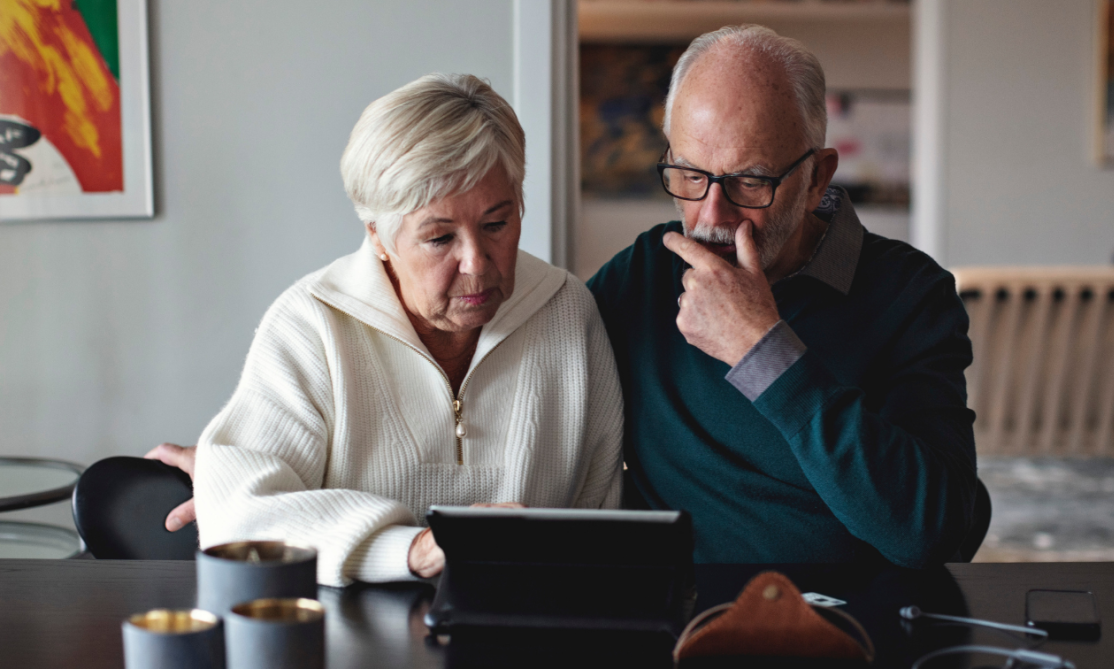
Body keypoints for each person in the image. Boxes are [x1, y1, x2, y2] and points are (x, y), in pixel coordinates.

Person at [148, 73, 623, 587]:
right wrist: (415, 548)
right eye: (440, 237)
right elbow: (241, 517)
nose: (477, 263)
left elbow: (601, 514)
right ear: (378, 235)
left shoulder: (569, 311)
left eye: (496, 224)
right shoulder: (312, 324)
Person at [585, 25, 978, 567]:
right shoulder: (645, 274)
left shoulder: (911, 294)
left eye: (751, 181)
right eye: (690, 176)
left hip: (849, 628)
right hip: (677, 624)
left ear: (817, 178)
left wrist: (763, 351)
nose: (713, 216)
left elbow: (933, 533)